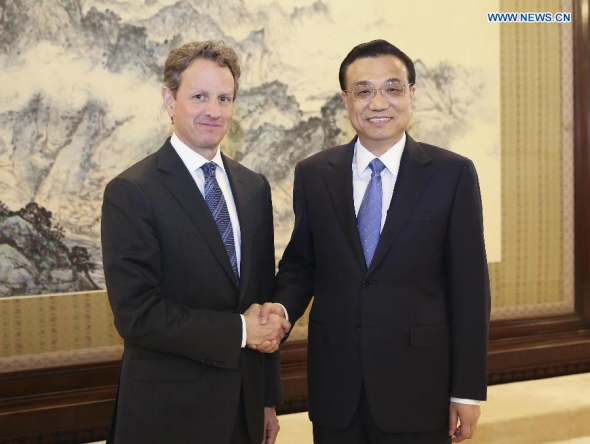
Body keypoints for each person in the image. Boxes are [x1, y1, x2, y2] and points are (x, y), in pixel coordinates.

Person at [258, 39, 491, 443]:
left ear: (411, 95)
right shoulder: (314, 174)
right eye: (364, 91)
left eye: (392, 88)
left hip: (419, 387)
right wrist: (280, 309)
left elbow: (471, 290)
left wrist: (466, 390)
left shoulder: (452, 174)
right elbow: (302, 265)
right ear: (346, 100)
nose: (378, 102)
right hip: (336, 389)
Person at [101, 40, 290, 444]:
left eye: (225, 98)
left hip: (244, 411)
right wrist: (238, 331)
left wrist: (267, 399)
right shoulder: (132, 191)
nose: (214, 111)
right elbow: (137, 315)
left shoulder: (254, 187)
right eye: (199, 96)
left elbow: (260, 299)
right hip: (166, 417)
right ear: (170, 100)